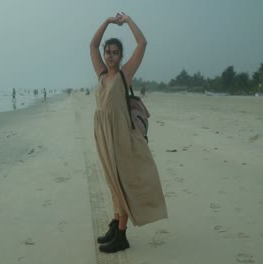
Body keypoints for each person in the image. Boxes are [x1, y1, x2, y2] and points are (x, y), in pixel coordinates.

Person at [90, 12, 168, 253]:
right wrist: (106, 22)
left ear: (121, 56)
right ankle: (115, 224)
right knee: (112, 181)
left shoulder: (125, 75)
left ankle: (122, 235)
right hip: (103, 134)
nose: (110, 55)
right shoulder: (102, 75)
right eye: (108, 52)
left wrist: (128, 21)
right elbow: (92, 44)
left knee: (121, 182)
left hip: (121, 136)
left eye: (115, 52)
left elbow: (142, 44)